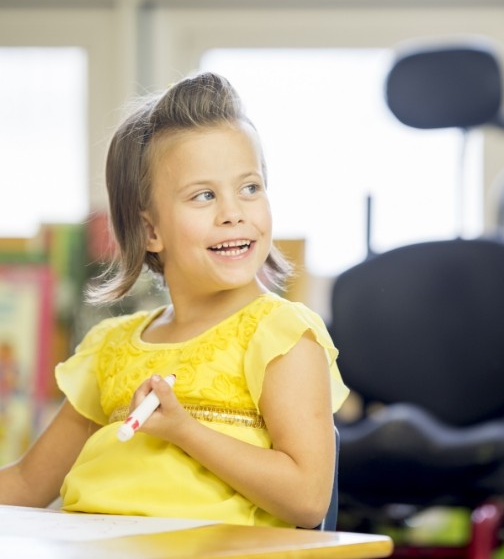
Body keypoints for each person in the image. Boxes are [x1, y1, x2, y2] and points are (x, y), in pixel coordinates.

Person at [0, 71, 349, 528]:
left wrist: (185, 431)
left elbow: (307, 498)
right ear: (150, 231)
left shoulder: (282, 335)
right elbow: (28, 484)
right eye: (204, 195)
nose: (233, 213)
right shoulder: (110, 347)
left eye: (250, 187)